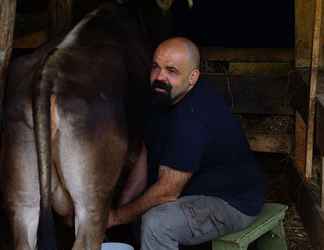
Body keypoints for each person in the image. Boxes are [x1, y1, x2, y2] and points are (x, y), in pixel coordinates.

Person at [107, 37, 264, 250]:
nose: (160, 76)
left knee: (157, 224)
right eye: (155, 67)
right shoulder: (160, 96)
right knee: (136, 217)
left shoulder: (193, 117)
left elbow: (167, 191)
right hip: (190, 191)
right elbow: (145, 155)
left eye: (171, 71)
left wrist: (117, 217)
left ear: (193, 77)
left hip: (230, 201)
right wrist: (121, 208)